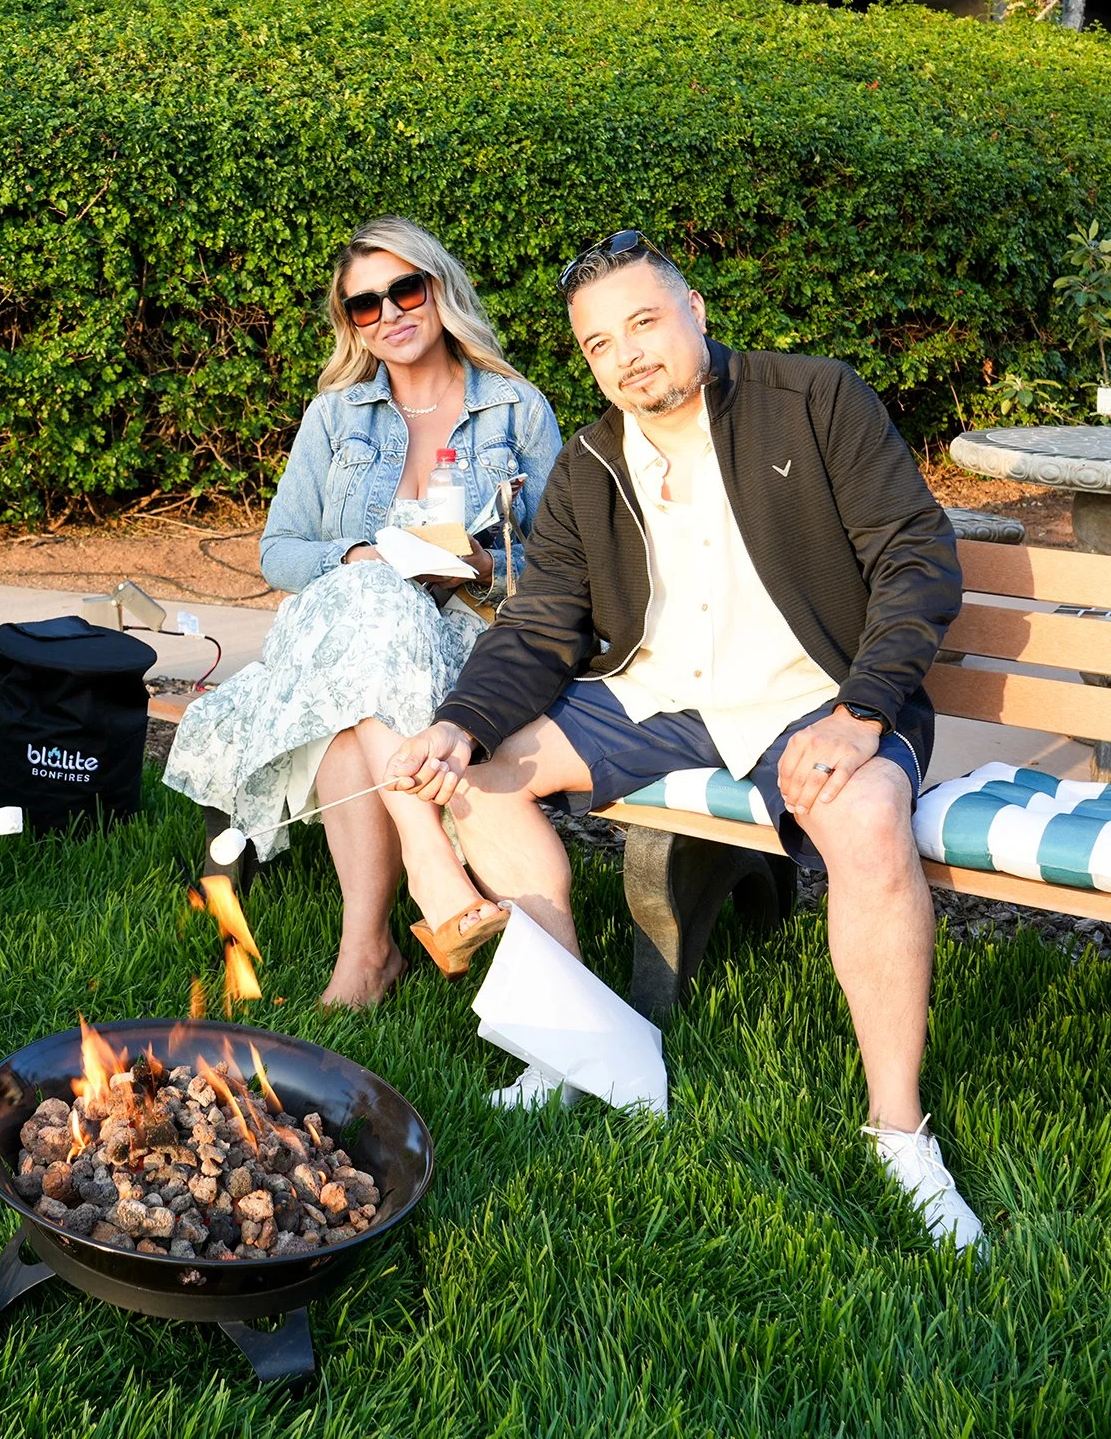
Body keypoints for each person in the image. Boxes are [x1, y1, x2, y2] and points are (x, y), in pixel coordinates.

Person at [387, 230, 984, 1251]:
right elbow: (538, 628)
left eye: (643, 323)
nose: (627, 356)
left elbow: (915, 559)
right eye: (598, 343)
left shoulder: (815, 400)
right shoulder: (587, 463)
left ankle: (898, 1130)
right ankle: (574, 1044)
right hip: (654, 697)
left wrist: (862, 710)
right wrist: (460, 722)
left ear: (694, 310)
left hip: (812, 695)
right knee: (472, 781)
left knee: (871, 817)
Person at [164, 217, 561, 1009]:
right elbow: (278, 551)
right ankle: (429, 861)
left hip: (461, 637)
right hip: (340, 623)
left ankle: (368, 952)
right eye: (364, 306)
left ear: (438, 287)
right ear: (351, 324)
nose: (390, 314)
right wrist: (357, 557)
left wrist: (484, 566)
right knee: (372, 590)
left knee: (350, 716)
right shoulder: (336, 416)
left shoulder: (517, 410)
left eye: (404, 290)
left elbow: (562, 571)